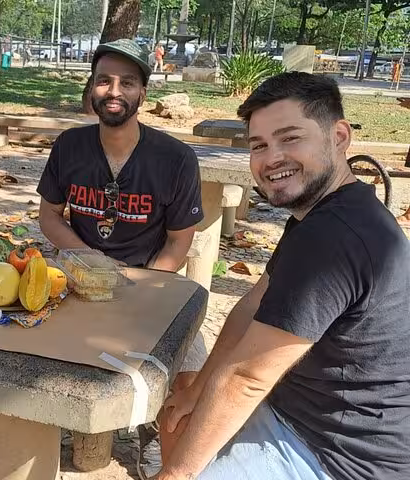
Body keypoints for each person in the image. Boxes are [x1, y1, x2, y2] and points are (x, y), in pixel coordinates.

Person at [154, 72, 410, 480]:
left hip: (338, 455)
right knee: (179, 410)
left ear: (339, 136)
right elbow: (252, 304)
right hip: (298, 408)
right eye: (259, 145)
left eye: (290, 138)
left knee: (184, 456)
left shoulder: (333, 235)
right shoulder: (322, 212)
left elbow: (248, 377)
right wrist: (198, 390)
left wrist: (177, 475)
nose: (272, 157)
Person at [37, 38, 207, 382]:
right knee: (30, 364)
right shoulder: (69, 146)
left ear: (143, 93)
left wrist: (140, 287)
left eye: (127, 82)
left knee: (190, 379)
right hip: (76, 282)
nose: (114, 91)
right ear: (91, 90)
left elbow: (177, 244)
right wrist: (93, 263)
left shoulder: (176, 159)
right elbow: (49, 216)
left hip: (148, 285)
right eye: (104, 81)